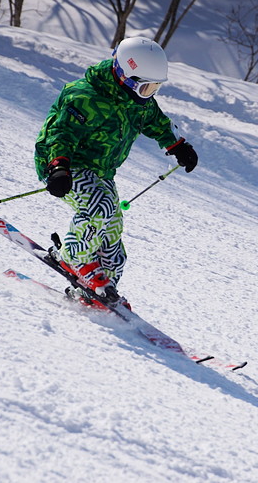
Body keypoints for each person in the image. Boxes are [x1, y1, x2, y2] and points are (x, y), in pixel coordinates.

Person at [34, 36, 198, 307]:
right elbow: (60, 134)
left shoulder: (137, 100)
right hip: (66, 166)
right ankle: (73, 258)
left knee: (112, 225)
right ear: (125, 75)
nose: (150, 94)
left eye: (155, 87)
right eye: (146, 87)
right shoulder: (83, 96)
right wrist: (58, 167)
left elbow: (156, 121)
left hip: (101, 171)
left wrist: (178, 145)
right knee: (100, 208)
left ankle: (102, 285)